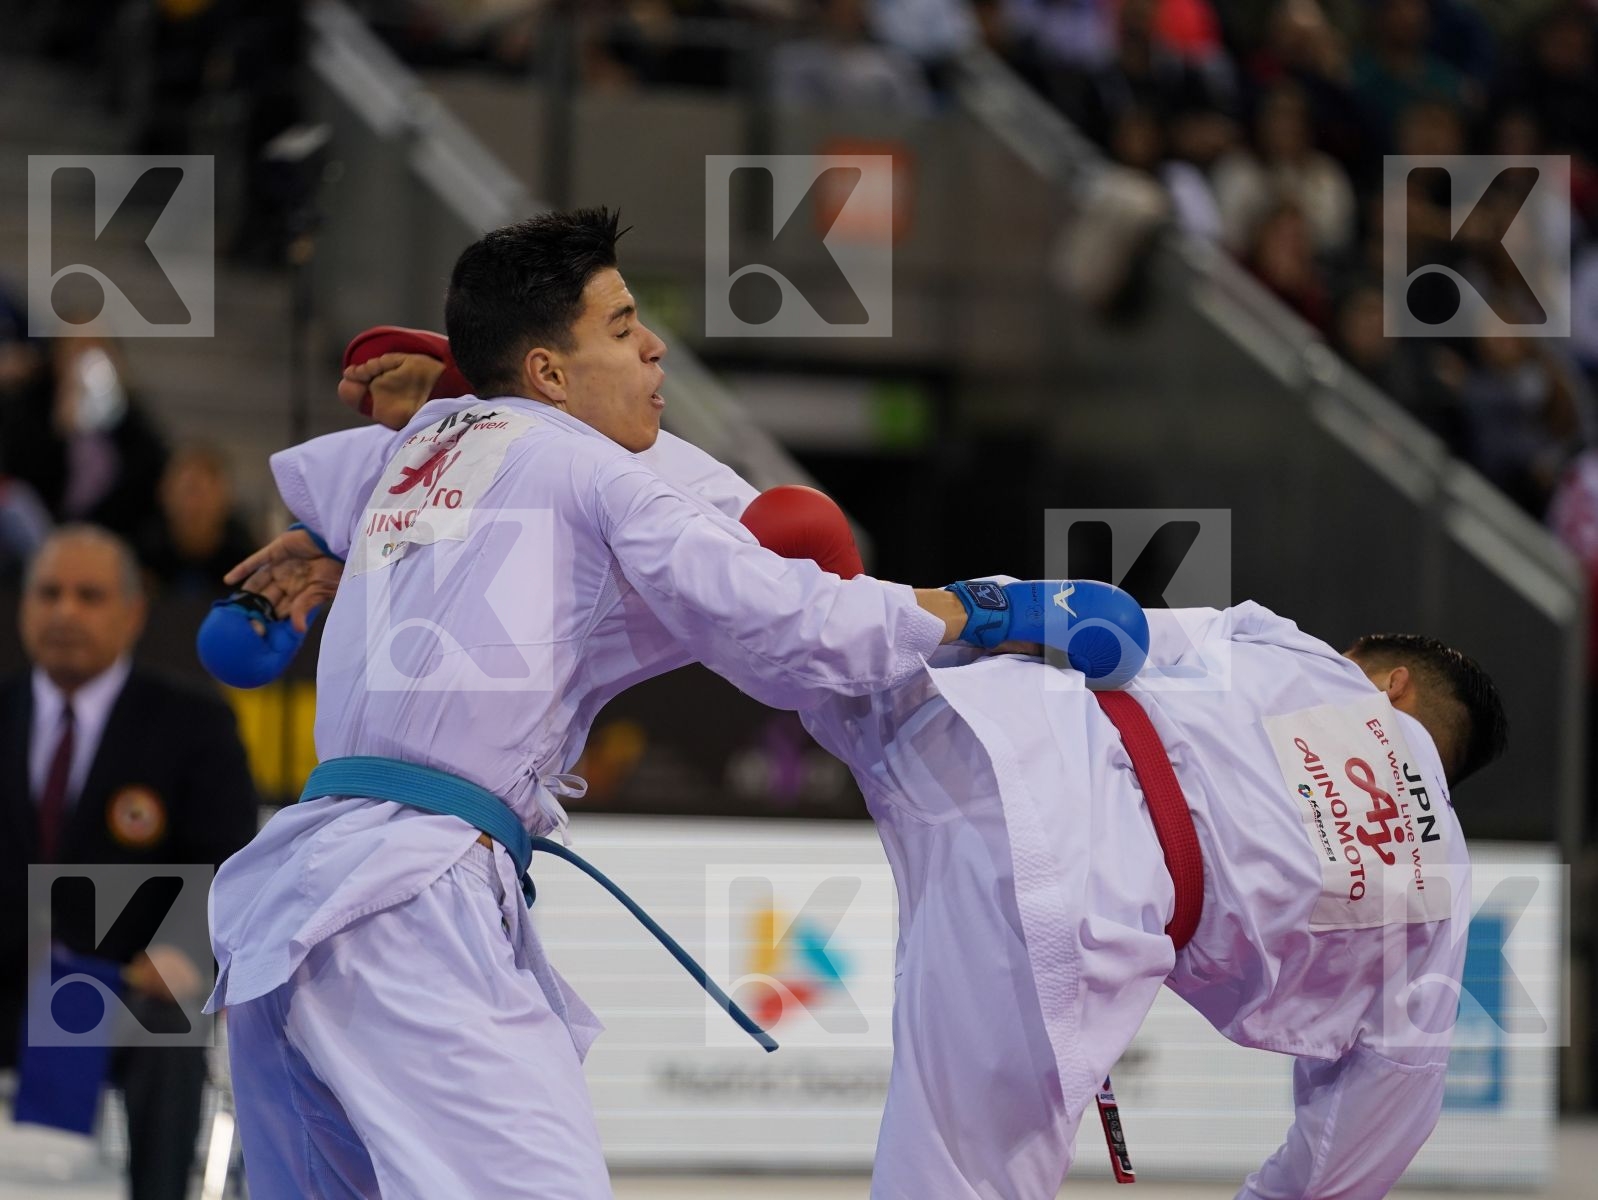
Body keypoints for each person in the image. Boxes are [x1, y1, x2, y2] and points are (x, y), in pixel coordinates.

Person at [244, 325, 1504, 1198]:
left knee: (772, 563)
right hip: (1083, 917)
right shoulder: (1436, 894)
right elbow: (1376, 1114)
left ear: (1384, 682)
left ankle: (487, 424)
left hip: (998, 732)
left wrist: (994, 608)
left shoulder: (1295, 658)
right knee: (957, 1180)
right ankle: (493, 421)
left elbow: (1108, 633)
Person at [202, 209, 1134, 1199]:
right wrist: (991, 605)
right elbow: (789, 621)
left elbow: (371, 462)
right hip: (409, 905)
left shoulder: (423, 441)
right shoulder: (600, 471)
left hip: (289, 910)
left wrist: (338, 523)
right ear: (550, 373)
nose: (654, 346)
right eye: (621, 327)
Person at [0, 525, 258, 1200]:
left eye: (88, 596)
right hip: (6, 978)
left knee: (167, 1033)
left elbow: (226, 862)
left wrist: (185, 952)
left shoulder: (193, 723)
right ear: (23, 607)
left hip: (124, 985)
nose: (65, 612)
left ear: (133, 611)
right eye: (49, 593)